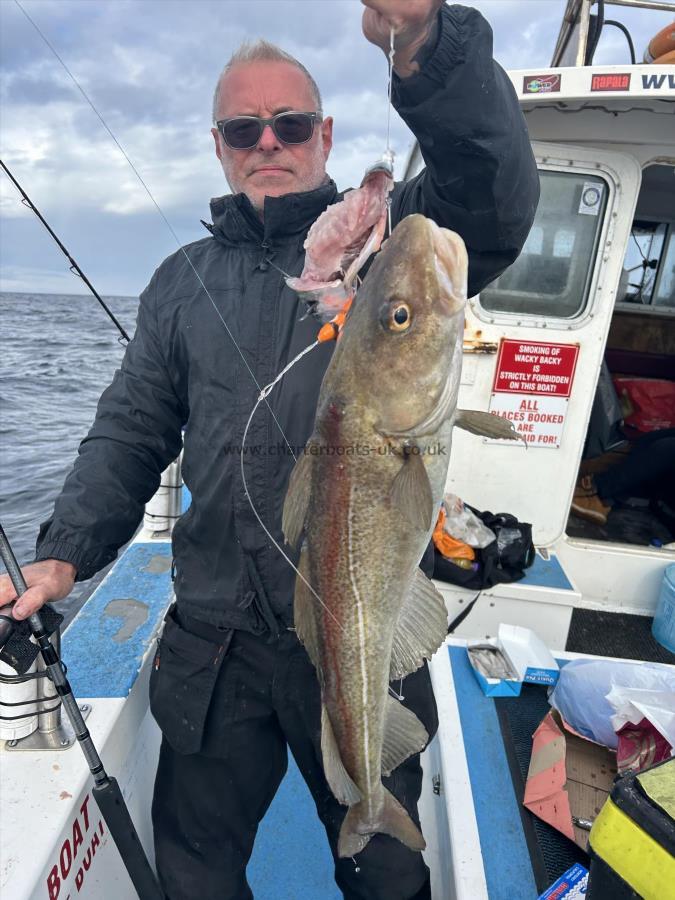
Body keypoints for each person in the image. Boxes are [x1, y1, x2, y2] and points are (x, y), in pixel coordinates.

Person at [0, 2, 539, 898]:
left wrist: (423, 45)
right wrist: (61, 553)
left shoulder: (380, 243)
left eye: (289, 123)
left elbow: (491, 191)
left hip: (355, 626)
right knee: (196, 872)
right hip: (215, 646)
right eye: (243, 128)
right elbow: (132, 429)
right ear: (218, 143)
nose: (268, 142)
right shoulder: (178, 283)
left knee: (388, 877)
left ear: (324, 133)